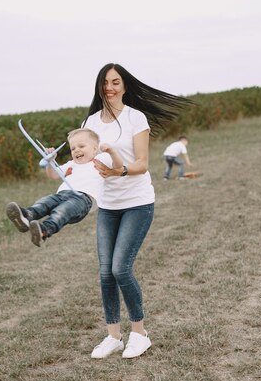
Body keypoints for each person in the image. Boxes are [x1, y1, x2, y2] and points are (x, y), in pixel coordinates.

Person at [82, 63, 192, 359]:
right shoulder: (90, 122)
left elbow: (142, 164)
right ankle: (113, 337)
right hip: (108, 206)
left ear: (125, 86)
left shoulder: (135, 117)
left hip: (137, 203)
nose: (110, 87)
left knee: (121, 268)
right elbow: (83, 158)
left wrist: (117, 171)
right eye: (105, 82)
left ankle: (140, 333)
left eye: (116, 82)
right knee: (106, 273)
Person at [6, 128, 123, 247]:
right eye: (73, 148)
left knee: (61, 212)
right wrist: (51, 161)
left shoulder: (101, 159)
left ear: (94, 149)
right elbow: (53, 175)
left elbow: (118, 166)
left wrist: (111, 152)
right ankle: (26, 216)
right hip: (62, 194)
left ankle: (45, 230)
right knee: (45, 202)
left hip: (82, 200)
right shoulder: (71, 164)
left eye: (81, 146)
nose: (77, 150)